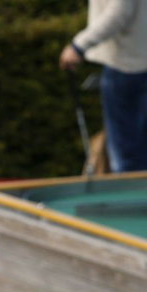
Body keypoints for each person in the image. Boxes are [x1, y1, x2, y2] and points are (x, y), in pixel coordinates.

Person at [59, 0, 147, 172]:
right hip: (133, 62)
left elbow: (119, 13)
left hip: (127, 64)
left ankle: (129, 195)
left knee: (126, 153)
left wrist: (79, 46)